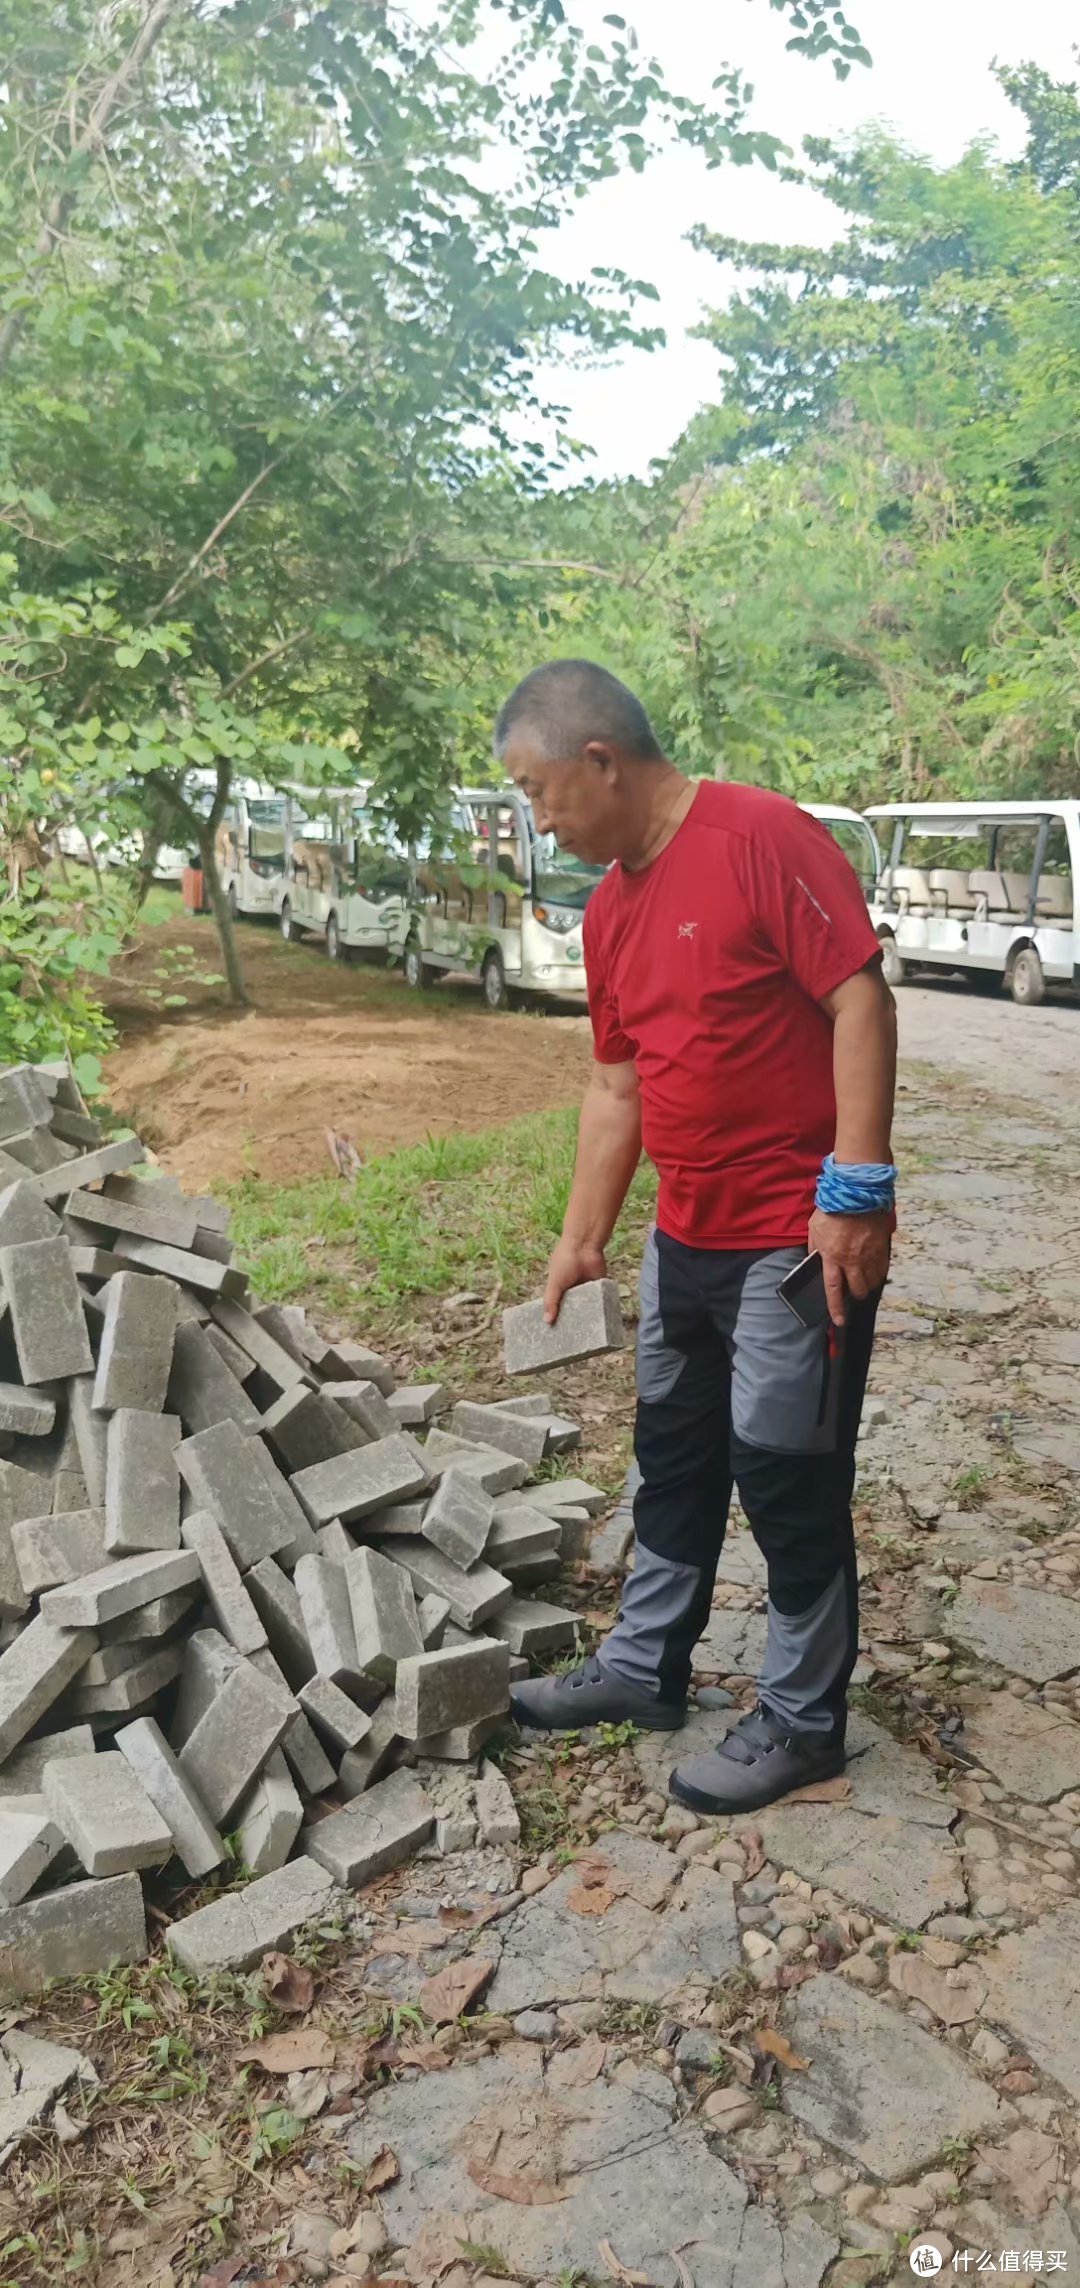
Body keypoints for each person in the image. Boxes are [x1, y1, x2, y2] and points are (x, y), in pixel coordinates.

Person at [495, 659, 896, 1815]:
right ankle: (644, 1666)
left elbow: (858, 998)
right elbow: (616, 1085)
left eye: (539, 791)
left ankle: (805, 1719)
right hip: (687, 1242)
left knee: (787, 1475)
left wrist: (857, 1189)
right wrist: (584, 1235)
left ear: (599, 761)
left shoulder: (761, 838)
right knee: (671, 1458)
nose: (540, 817)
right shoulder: (612, 907)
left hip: (794, 1241)